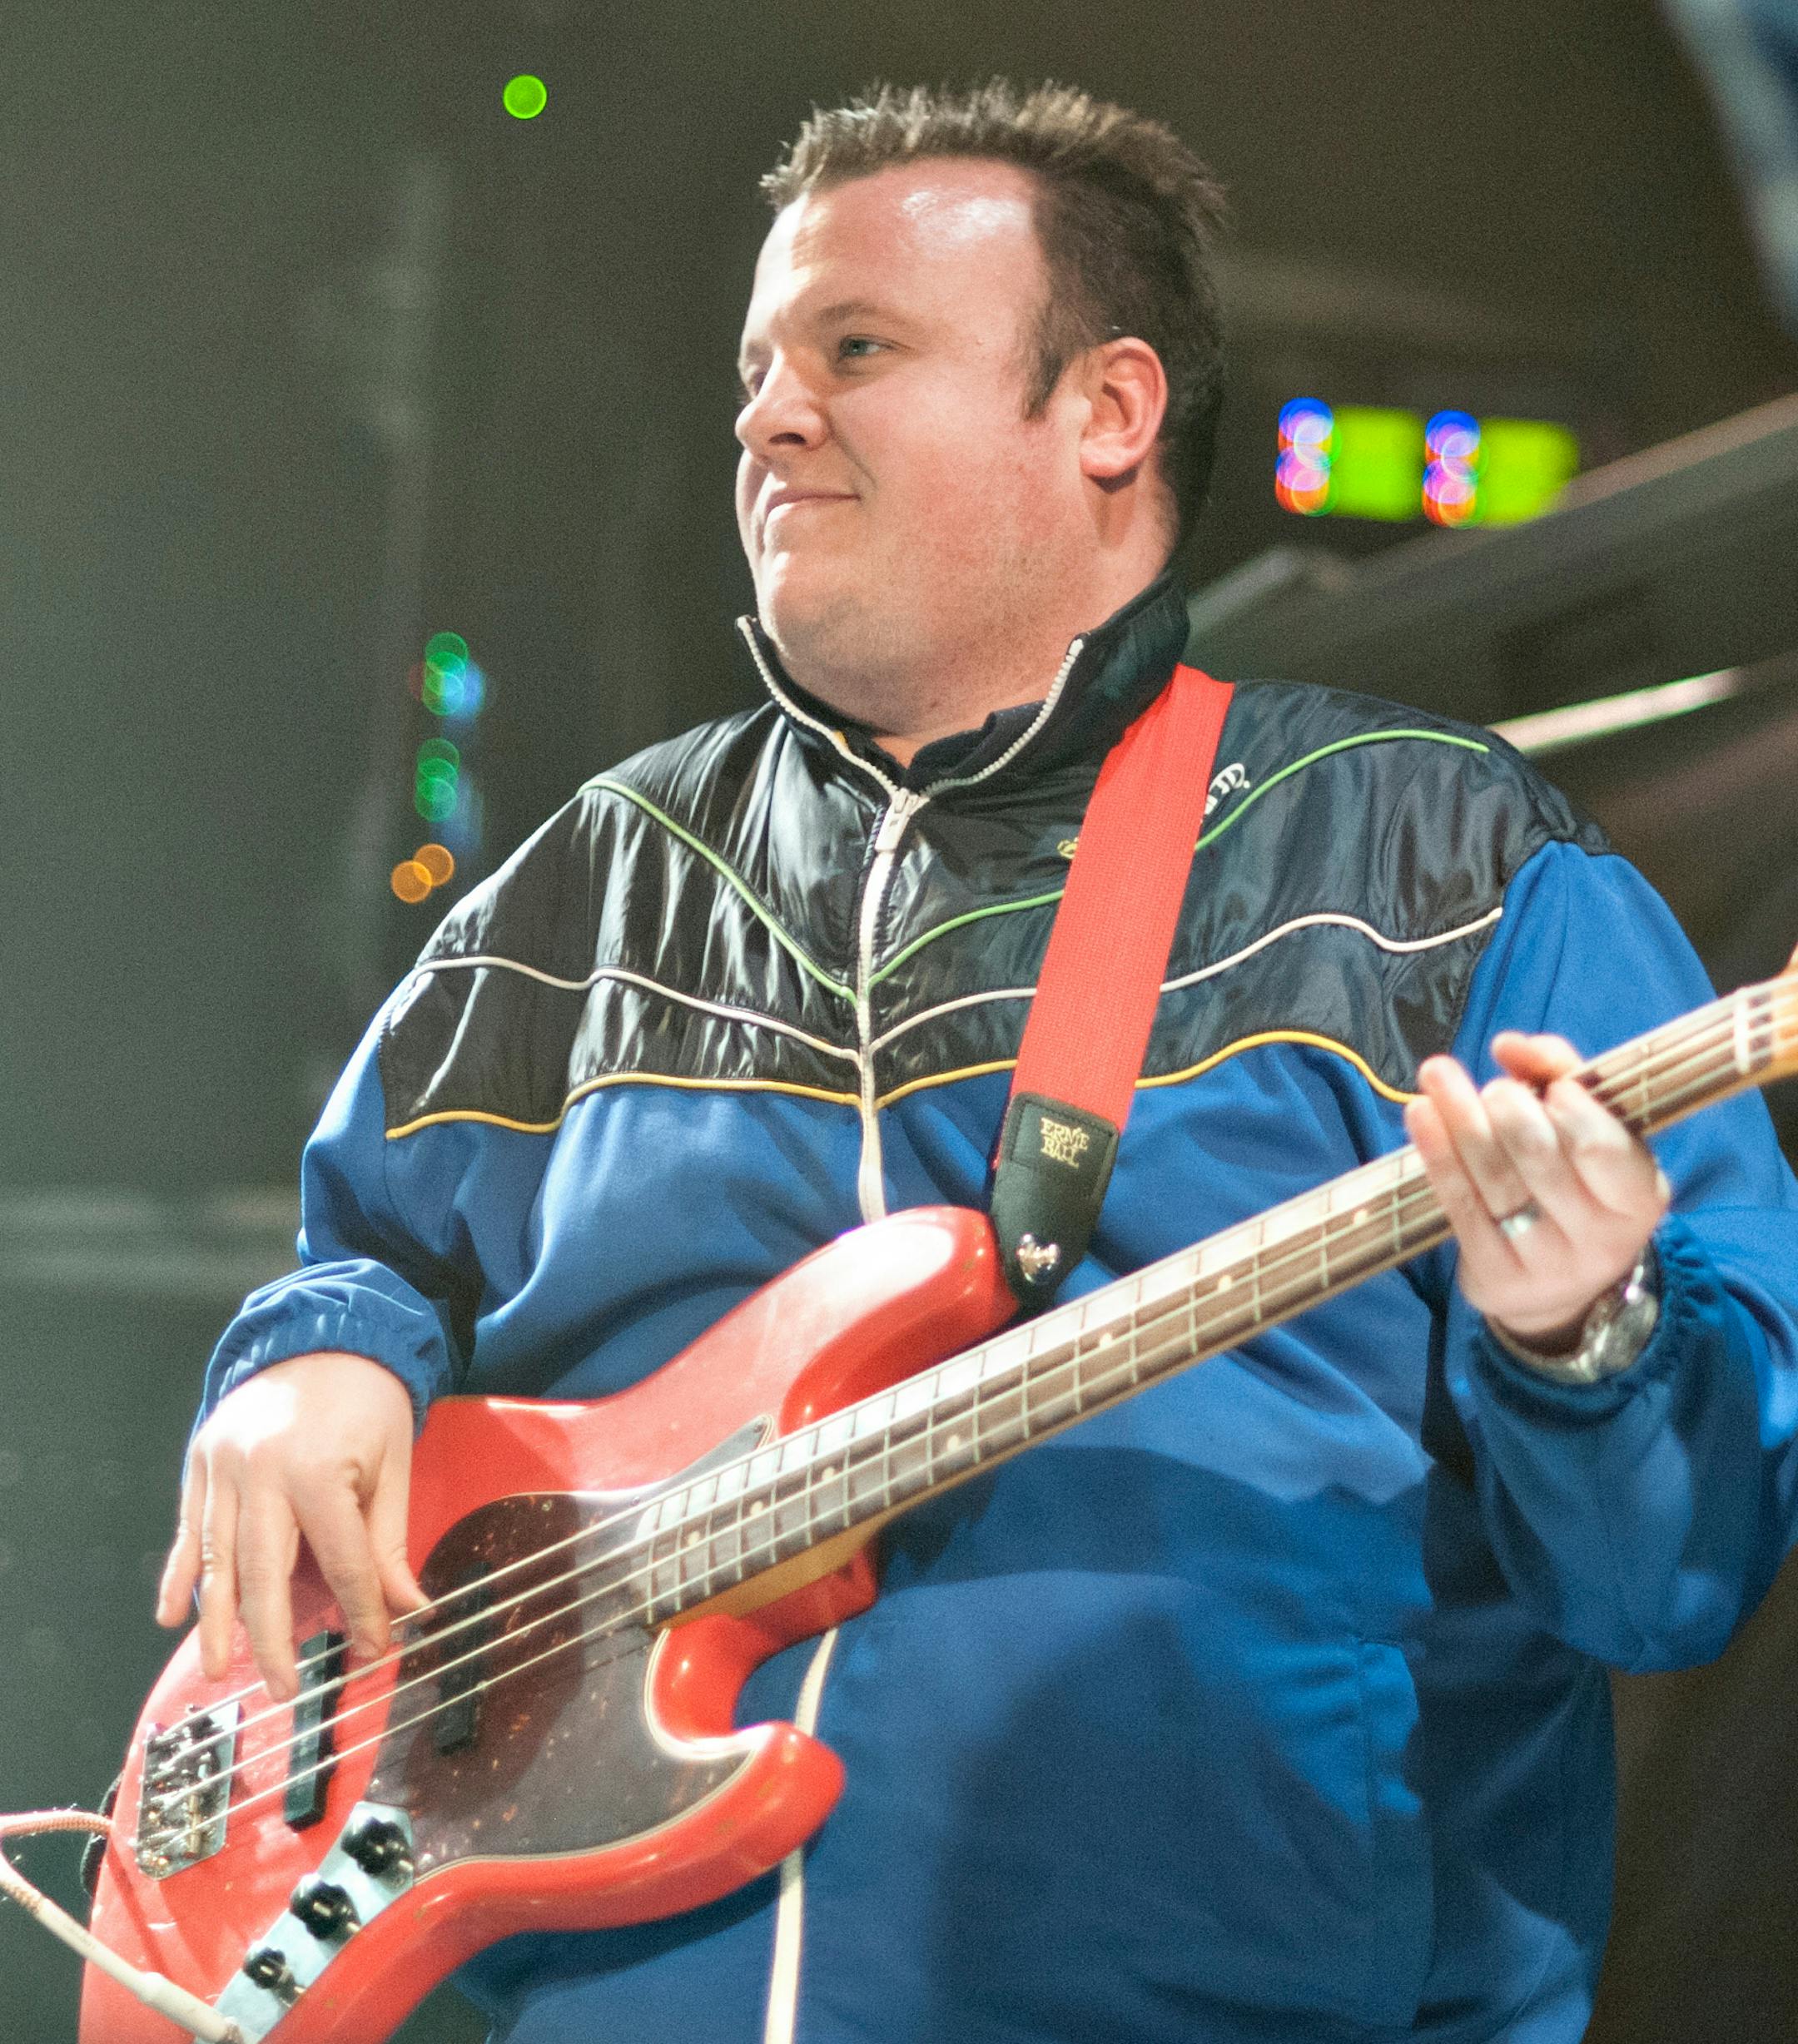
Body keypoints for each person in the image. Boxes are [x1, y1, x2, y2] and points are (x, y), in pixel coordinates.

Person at [156, 80, 1798, 2044]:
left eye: (857, 350)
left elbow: (1674, 1583)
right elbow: (371, 1251)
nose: (769, 414)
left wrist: (1586, 1343)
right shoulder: (590, 882)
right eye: (760, 363)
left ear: (1106, 411)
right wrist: (311, 1350)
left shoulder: (1450, 867)